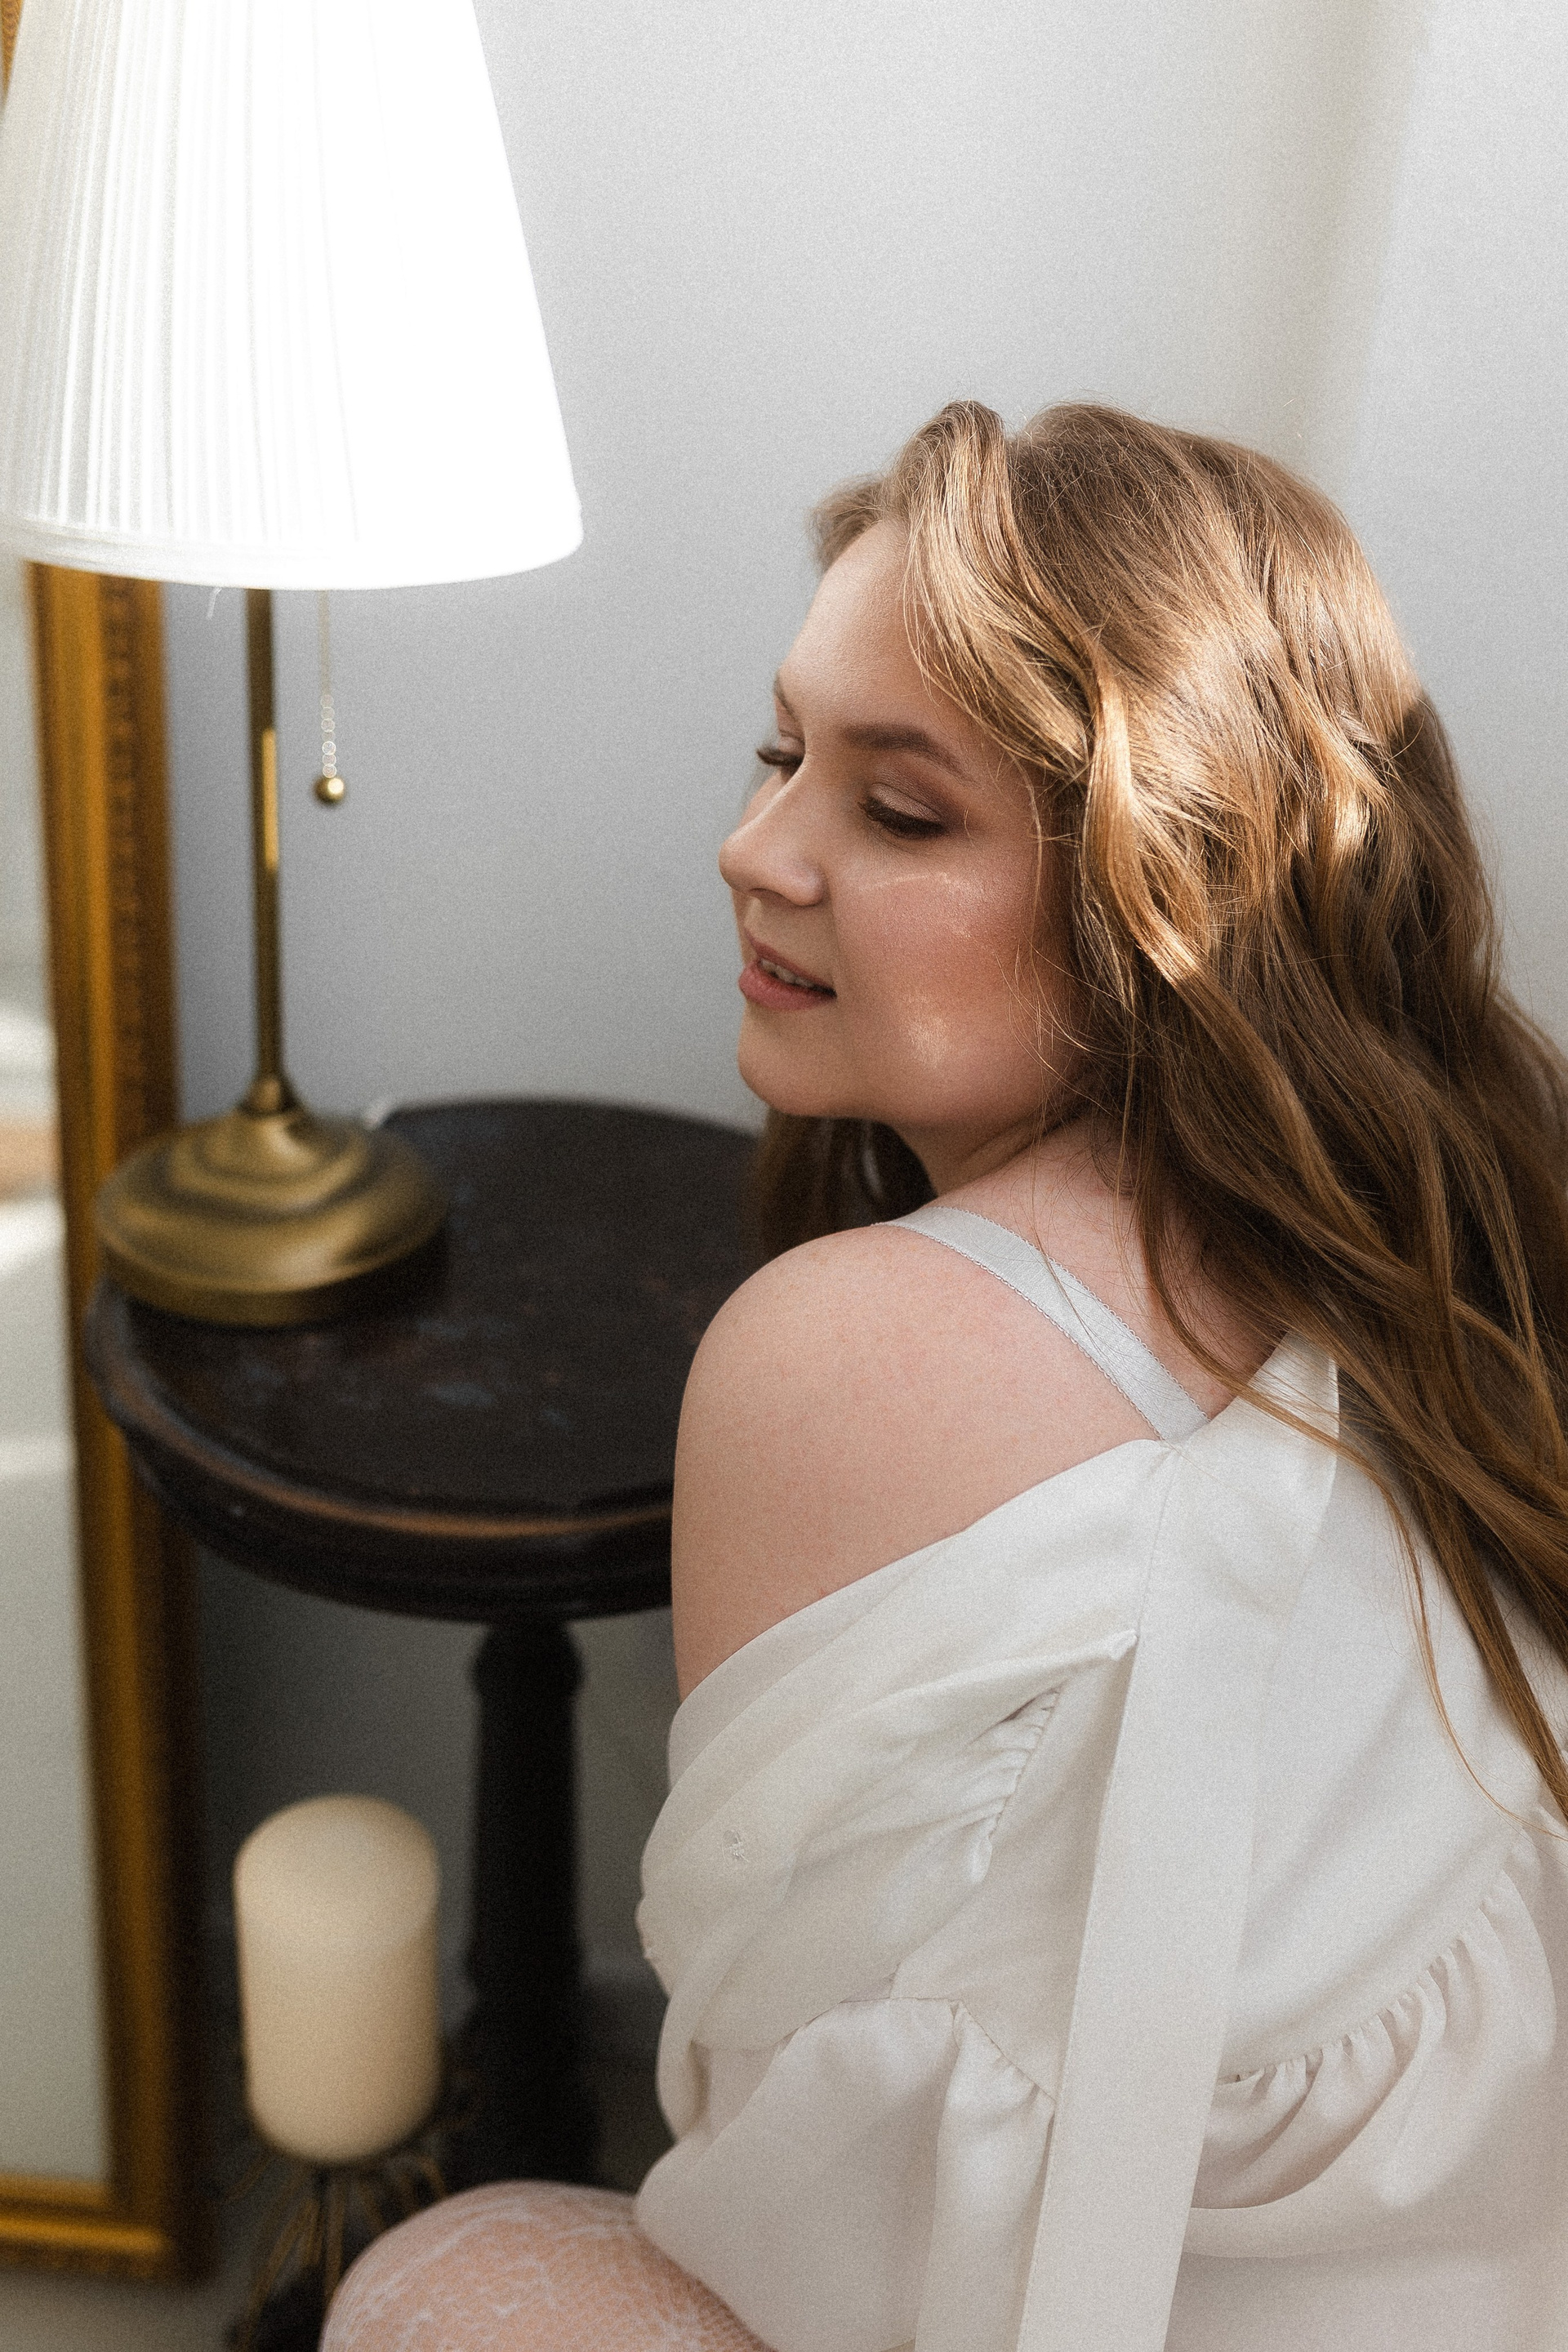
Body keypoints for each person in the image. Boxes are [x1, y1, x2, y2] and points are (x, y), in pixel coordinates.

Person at [323, 401, 1568, 2351]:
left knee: (425, 2283)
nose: (753, 850)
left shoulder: (845, 1352)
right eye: (780, 754)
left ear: (1175, 885)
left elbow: (785, 2171)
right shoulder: (1448, 1228)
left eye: (899, 812)